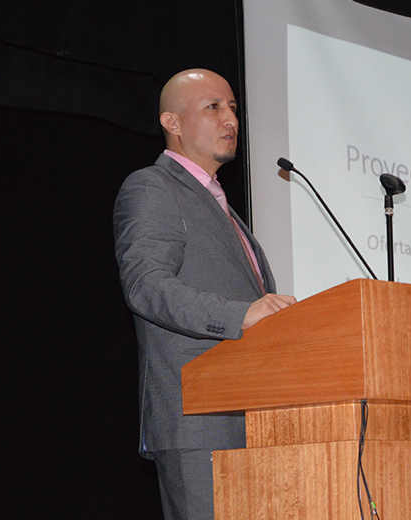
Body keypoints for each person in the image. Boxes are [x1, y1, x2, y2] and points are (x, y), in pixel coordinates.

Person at [113, 68, 296, 520]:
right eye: (213, 107)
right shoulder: (151, 187)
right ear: (171, 123)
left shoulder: (222, 207)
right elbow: (146, 286)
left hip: (253, 418)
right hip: (200, 422)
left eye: (233, 107)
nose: (231, 119)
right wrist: (241, 315)